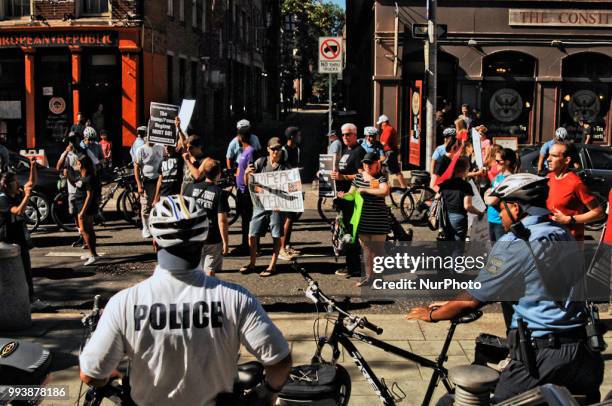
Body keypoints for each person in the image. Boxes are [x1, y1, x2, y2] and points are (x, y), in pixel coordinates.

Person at [407, 173, 604, 403]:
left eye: (502, 208)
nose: (500, 216)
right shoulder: (561, 234)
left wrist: (432, 315)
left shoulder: (514, 243)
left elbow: (472, 301)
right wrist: (451, 302)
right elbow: (530, 282)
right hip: (584, 354)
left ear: (515, 208)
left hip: (543, 357)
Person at [79, 195, 292, 405]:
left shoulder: (124, 303)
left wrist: (111, 376)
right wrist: (267, 393)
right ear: (202, 242)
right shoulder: (236, 298)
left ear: (154, 243)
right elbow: (280, 363)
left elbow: (91, 375)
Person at [338, 152, 390, 287]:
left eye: (370, 163)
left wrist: (366, 191)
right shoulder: (359, 177)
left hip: (378, 219)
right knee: (366, 250)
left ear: (376, 164)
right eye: (365, 163)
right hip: (362, 219)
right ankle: (368, 277)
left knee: (378, 251)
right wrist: (344, 196)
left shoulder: (380, 178)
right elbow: (352, 194)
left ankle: (378, 278)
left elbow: (385, 191)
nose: (367, 165)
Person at [241, 138, 289, 277]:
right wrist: (246, 174)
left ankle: (272, 266)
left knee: (276, 236)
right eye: (273, 149)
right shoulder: (260, 162)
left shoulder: (285, 166)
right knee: (252, 234)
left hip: (276, 207)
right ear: (268, 149)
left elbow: (292, 188)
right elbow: (248, 184)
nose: (276, 152)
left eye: (278, 149)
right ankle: (252, 263)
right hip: (260, 205)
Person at [546, 142, 604, 242]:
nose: (548, 159)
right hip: (552, 239)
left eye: (554, 156)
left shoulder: (575, 183)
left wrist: (569, 219)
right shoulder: (549, 178)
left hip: (570, 243)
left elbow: (599, 212)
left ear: (567, 160)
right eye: (549, 154)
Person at [331, 123, 366, 278]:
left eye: (348, 134)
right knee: (345, 232)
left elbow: (362, 175)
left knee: (352, 233)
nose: (345, 137)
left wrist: (342, 177)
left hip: (353, 200)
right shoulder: (346, 150)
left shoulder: (359, 151)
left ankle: (355, 267)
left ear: (355, 134)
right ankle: (350, 265)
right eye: (343, 134)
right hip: (344, 198)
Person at [183, 158, 229, 276]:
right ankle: (208, 288)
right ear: (218, 175)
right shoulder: (220, 193)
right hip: (212, 237)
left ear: (203, 171)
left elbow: (183, 211)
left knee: (194, 268)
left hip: (193, 236)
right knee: (209, 270)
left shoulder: (189, 188)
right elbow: (222, 220)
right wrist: (225, 242)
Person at [0, 159, 36, 301]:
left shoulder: (16, 194)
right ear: (6, 185)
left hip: (20, 238)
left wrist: (33, 167)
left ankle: (30, 299)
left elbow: (31, 183)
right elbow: (18, 211)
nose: (18, 183)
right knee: (12, 273)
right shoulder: (3, 199)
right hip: (8, 240)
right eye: (14, 181)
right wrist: (27, 195)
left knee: (27, 270)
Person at [438, 157, 484, 242]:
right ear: (465, 170)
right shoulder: (466, 186)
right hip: (459, 218)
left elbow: (438, 197)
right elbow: (467, 206)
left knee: (449, 244)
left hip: (445, 216)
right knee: (458, 248)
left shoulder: (445, 183)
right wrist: (479, 213)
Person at [484, 147, 519, 242]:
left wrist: (486, 195)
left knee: (500, 253)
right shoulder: (498, 177)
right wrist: (488, 195)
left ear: (507, 162)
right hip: (492, 219)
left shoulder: (508, 180)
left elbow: (491, 201)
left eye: (498, 161)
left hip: (501, 221)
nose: (495, 163)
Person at [134, 135, 164, 238]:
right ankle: (145, 228)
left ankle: (155, 227)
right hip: (147, 182)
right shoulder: (141, 150)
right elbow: (136, 167)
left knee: (158, 204)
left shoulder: (160, 147)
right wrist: (139, 185)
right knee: (146, 206)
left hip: (159, 180)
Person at [73, 154, 100, 266]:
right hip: (81, 205)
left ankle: (93, 255)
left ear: (83, 164)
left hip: (85, 207)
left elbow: (89, 195)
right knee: (89, 229)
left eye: (78, 163)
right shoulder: (83, 175)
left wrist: (83, 211)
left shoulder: (89, 178)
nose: (77, 165)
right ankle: (93, 254)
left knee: (84, 230)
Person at [279, 127, 302, 261]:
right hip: (286, 187)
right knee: (287, 217)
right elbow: (281, 169)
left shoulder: (296, 149)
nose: (300, 137)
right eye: (298, 135)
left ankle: (287, 245)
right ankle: (281, 248)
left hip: (295, 184)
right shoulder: (284, 151)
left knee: (292, 217)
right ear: (292, 137)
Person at [232, 131, 256, 256]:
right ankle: (244, 244)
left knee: (248, 219)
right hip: (241, 190)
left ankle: (250, 246)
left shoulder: (250, 151)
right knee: (244, 219)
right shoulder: (244, 151)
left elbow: (251, 170)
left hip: (246, 192)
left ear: (240, 138)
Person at [377, 114, 408, 189]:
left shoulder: (388, 129)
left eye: (381, 124)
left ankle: (404, 187)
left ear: (384, 122)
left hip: (390, 152)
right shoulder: (386, 129)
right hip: (388, 152)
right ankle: (385, 186)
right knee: (383, 170)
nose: (380, 126)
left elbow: (384, 142)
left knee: (395, 170)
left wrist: (378, 146)